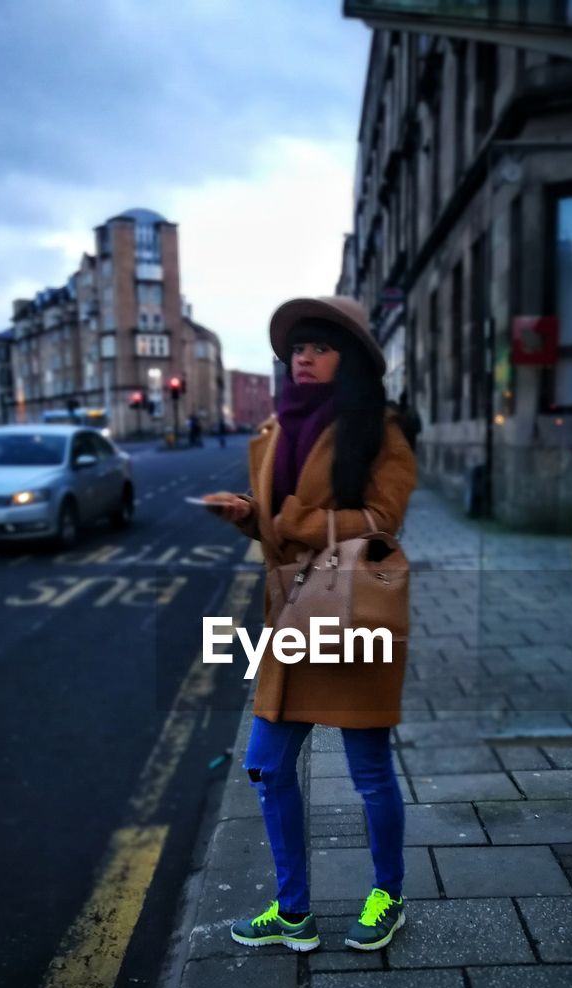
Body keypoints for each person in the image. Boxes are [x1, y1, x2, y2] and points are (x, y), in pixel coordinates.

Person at [202, 295, 417, 953]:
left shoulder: (380, 429)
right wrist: (250, 519)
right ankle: (292, 910)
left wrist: (300, 523)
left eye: (318, 346)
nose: (303, 357)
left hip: (352, 609)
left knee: (369, 770)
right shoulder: (269, 435)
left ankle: (387, 896)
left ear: (346, 357)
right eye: (296, 348)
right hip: (293, 616)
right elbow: (278, 540)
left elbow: (383, 519)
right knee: (266, 767)